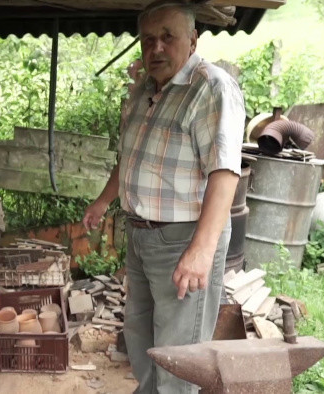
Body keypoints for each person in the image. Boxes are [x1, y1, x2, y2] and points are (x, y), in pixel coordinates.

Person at [82, 1, 245, 393]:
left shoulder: (211, 87)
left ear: (193, 39)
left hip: (182, 239)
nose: (156, 48)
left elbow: (224, 172)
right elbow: (131, 156)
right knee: (141, 338)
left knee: (179, 353)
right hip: (141, 235)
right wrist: (105, 199)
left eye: (167, 38)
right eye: (148, 39)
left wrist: (201, 250)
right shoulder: (144, 89)